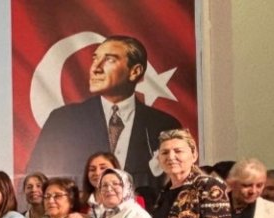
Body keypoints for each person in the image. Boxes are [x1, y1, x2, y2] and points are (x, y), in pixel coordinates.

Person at [27, 35, 182, 190]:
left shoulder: (164, 126)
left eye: (109, 60)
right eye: (95, 59)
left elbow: (177, 184)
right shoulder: (62, 121)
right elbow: (35, 182)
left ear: (135, 71)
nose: (95, 68)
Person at [81, 152, 121, 217]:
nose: (97, 173)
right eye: (92, 169)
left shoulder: (133, 202)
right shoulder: (82, 205)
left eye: (103, 168)